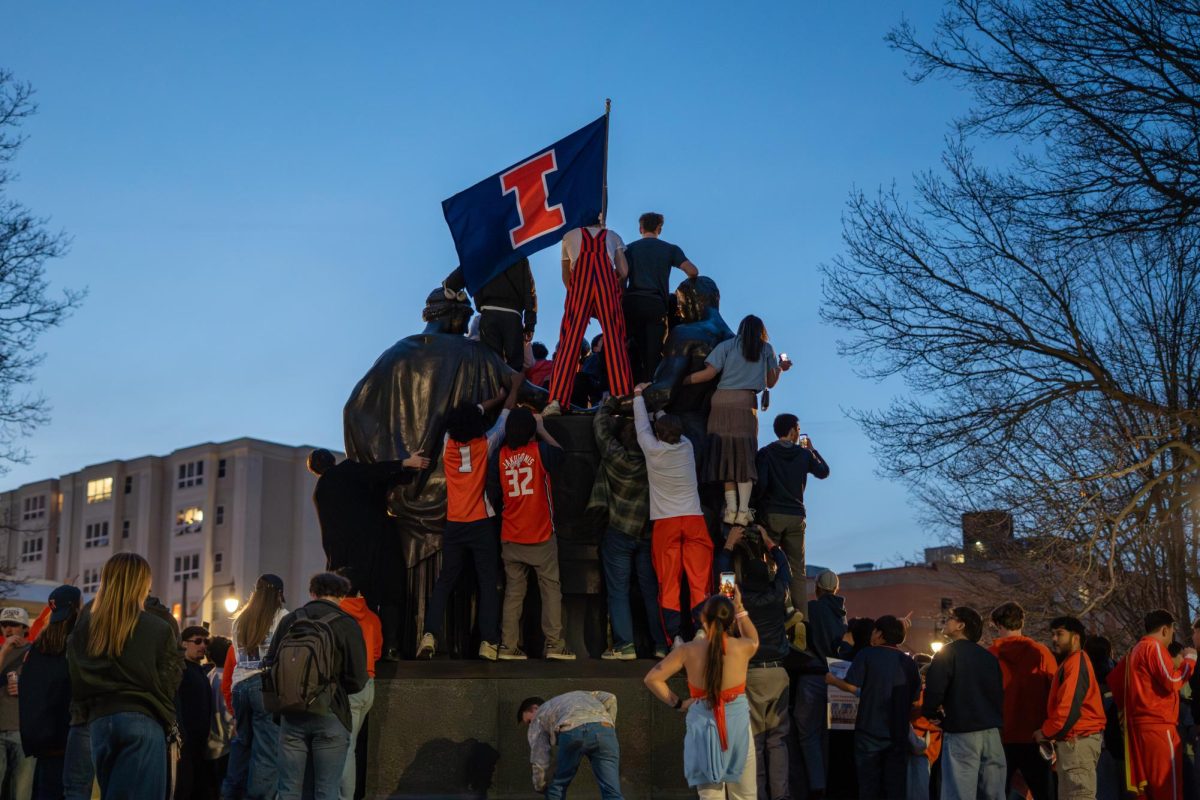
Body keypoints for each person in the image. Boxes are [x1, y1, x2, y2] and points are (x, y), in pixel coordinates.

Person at [417, 376, 519, 661]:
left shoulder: (448, 443)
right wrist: (511, 390)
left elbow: (469, 412)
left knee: (445, 581)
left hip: (454, 523)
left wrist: (491, 400)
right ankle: (488, 641)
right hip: (481, 522)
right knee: (487, 582)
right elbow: (507, 413)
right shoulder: (486, 443)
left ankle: (429, 634)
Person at [67, 553, 184, 800]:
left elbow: (76, 677)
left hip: (100, 722)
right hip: (143, 718)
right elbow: (170, 682)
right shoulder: (158, 628)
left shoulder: (87, 625)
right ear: (143, 584)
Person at [307, 446, 429, 660]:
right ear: (332, 461)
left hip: (348, 559)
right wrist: (406, 463)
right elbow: (374, 471)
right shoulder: (347, 471)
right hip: (379, 542)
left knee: (366, 603)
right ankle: (391, 646)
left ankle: (370, 650)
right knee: (391, 594)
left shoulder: (320, 492)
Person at [644, 593, 760, 799]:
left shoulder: (687, 650)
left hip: (702, 726)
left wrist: (679, 703)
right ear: (731, 621)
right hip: (738, 727)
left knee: (709, 796)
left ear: (703, 619)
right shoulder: (744, 647)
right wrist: (740, 607)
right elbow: (753, 638)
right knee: (744, 796)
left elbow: (652, 679)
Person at [264, 572, 367, 800]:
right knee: (326, 790)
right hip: (330, 713)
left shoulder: (290, 620)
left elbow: (270, 663)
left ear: (312, 592)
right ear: (342, 595)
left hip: (291, 714)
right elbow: (358, 679)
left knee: (289, 788)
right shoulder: (347, 624)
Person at [682, 314, 788, 524]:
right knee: (744, 454)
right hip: (745, 403)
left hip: (720, 402)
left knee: (725, 455)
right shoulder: (766, 349)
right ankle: (743, 511)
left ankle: (730, 510)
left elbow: (708, 374)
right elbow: (771, 381)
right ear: (761, 331)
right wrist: (781, 370)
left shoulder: (727, 346)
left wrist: (682, 380)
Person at [487, 407, 574, 660]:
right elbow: (561, 453)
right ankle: (555, 645)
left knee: (514, 592)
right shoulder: (540, 452)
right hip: (540, 534)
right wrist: (542, 428)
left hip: (510, 535)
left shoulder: (500, 457)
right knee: (550, 590)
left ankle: (508, 645)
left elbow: (493, 492)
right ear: (530, 431)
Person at [632, 383, 712, 646]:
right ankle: (702, 630)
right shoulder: (687, 446)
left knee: (669, 583)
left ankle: (676, 635)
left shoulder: (652, 451)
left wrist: (638, 396)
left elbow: (641, 426)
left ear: (658, 434)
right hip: (693, 519)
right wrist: (661, 412)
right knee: (699, 580)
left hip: (665, 523)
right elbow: (659, 426)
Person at [717, 525, 792, 800]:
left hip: (748, 672)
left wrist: (728, 545)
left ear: (743, 578)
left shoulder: (735, 599)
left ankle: (757, 794)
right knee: (778, 738)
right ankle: (781, 795)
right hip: (778, 672)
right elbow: (786, 571)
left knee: (755, 739)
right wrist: (771, 544)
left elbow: (722, 577)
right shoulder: (778, 593)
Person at [589, 396, 667, 660]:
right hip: (648, 533)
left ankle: (625, 646)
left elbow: (599, 427)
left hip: (618, 531)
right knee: (651, 592)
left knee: (618, 591)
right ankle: (661, 644)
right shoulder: (655, 459)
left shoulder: (615, 457)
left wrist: (609, 403)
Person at [825, 615, 921, 799]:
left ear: (881, 634)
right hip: (898, 733)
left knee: (869, 784)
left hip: (868, 729)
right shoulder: (909, 663)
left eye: (875, 631)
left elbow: (853, 686)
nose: (872, 635)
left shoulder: (867, 654)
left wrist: (834, 680)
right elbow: (915, 700)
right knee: (894, 786)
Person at [544, 220, 633, 414]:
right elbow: (624, 271)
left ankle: (557, 401)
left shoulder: (569, 236)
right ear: (600, 221)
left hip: (579, 287)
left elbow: (566, 274)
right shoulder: (613, 236)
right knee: (615, 339)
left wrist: (576, 294)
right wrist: (611, 284)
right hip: (606, 285)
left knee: (569, 342)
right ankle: (622, 395)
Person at [1107, 609, 1197, 800]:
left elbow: (1114, 682)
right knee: (1168, 788)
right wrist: (1189, 662)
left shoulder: (1134, 650)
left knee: (1148, 791)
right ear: (1165, 630)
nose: (1172, 638)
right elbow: (1172, 681)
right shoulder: (1153, 647)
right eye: (1172, 632)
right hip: (1159, 727)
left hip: (1138, 730)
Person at [921, 606, 1006, 800]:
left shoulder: (947, 653)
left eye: (950, 618)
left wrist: (933, 714)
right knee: (994, 793)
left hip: (962, 732)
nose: (946, 621)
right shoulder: (989, 658)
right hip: (992, 733)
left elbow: (934, 691)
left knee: (959, 792)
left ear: (960, 625)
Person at [220, 573, 288, 800]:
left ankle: (230, 793)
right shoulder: (282, 617)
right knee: (266, 751)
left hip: (240, 685)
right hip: (264, 685)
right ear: (279, 594)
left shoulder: (241, 618)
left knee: (241, 743)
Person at [753, 413, 830, 607]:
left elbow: (761, 485)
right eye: (798, 429)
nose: (799, 432)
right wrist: (812, 450)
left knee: (771, 566)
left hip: (773, 516)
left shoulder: (765, 453)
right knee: (798, 570)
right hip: (796, 516)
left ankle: (778, 611)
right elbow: (824, 472)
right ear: (793, 430)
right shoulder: (804, 454)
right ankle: (801, 619)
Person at [987, 601, 1057, 800]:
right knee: (1044, 793)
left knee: (996, 792)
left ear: (997, 624)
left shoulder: (991, 655)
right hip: (1035, 735)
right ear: (1022, 622)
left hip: (1001, 736)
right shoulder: (1041, 652)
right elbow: (1054, 693)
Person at [18, 585, 82, 800]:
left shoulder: (37, 648)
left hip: (41, 742)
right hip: (68, 740)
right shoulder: (75, 646)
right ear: (76, 609)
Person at [621, 211, 699, 383]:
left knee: (628, 350)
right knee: (653, 354)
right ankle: (649, 394)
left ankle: (626, 392)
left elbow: (621, 277)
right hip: (655, 304)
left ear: (640, 228)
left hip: (631, 303)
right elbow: (692, 271)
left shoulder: (629, 249)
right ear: (659, 228)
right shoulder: (670, 249)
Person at [1035, 616, 1105, 800]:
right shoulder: (1071, 662)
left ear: (1076, 638)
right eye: (1053, 634)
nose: (1054, 639)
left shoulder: (1076, 662)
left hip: (1078, 743)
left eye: (1059, 634)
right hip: (1075, 742)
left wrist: (1045, 732)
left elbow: (1067, 709)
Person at [796, 569, 851, 800]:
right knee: (830, 735)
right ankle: (829, 784)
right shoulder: (842, 615)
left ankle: (816, 785)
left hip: (811, 676)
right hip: (837, 678)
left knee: (808, 733)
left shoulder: (810, 609)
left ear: (817, 587)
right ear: (836, 589)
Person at [518, 692, 622, 799]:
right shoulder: (581, 694)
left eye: (529, 721)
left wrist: (540, 785)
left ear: (535, 708)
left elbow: (540, 757)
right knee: (612, 790)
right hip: (604, 731)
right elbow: (610, 697)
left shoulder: (539, 714)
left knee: (557, 786)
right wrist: (608, 725)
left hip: (571, 730)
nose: (530, 725)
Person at [442, 257, 538, 372]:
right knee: (514, 367)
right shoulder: (519, 256)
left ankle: (494, 388)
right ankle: (510, 388)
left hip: (489, 314)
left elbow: (454, 280)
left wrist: (448, 284)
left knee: (491, 365)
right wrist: (530, 324)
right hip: (514, 317)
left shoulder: (482, 252)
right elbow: (529, 292)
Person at [337, 572, 382, 800]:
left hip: (346, 687)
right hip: (368, 685)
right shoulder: (373, 617)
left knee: (343, 749)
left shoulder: (336, 615)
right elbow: (377, 652)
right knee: (350, 746)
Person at [175, 626, 214, 800]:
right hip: (186, 742)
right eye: (197, 641)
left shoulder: (198, 671)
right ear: (184, 644)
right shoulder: (181, 671)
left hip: (199, 743)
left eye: (206, 641)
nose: (203, 645)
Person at [0, 606, 34, 800]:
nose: (9, 629)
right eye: (4, 625)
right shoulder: (1, 651)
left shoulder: (34, 652)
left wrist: (26, 689)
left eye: (14, 624)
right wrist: (4, 651)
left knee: (21, 793)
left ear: (25, 628)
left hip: (24, 732)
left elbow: (46, 688)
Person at [205, 636, 232, 796]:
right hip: (225, 745)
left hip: (211, 743)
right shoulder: (227, 678)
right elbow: (227, 713)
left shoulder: (210, 675)